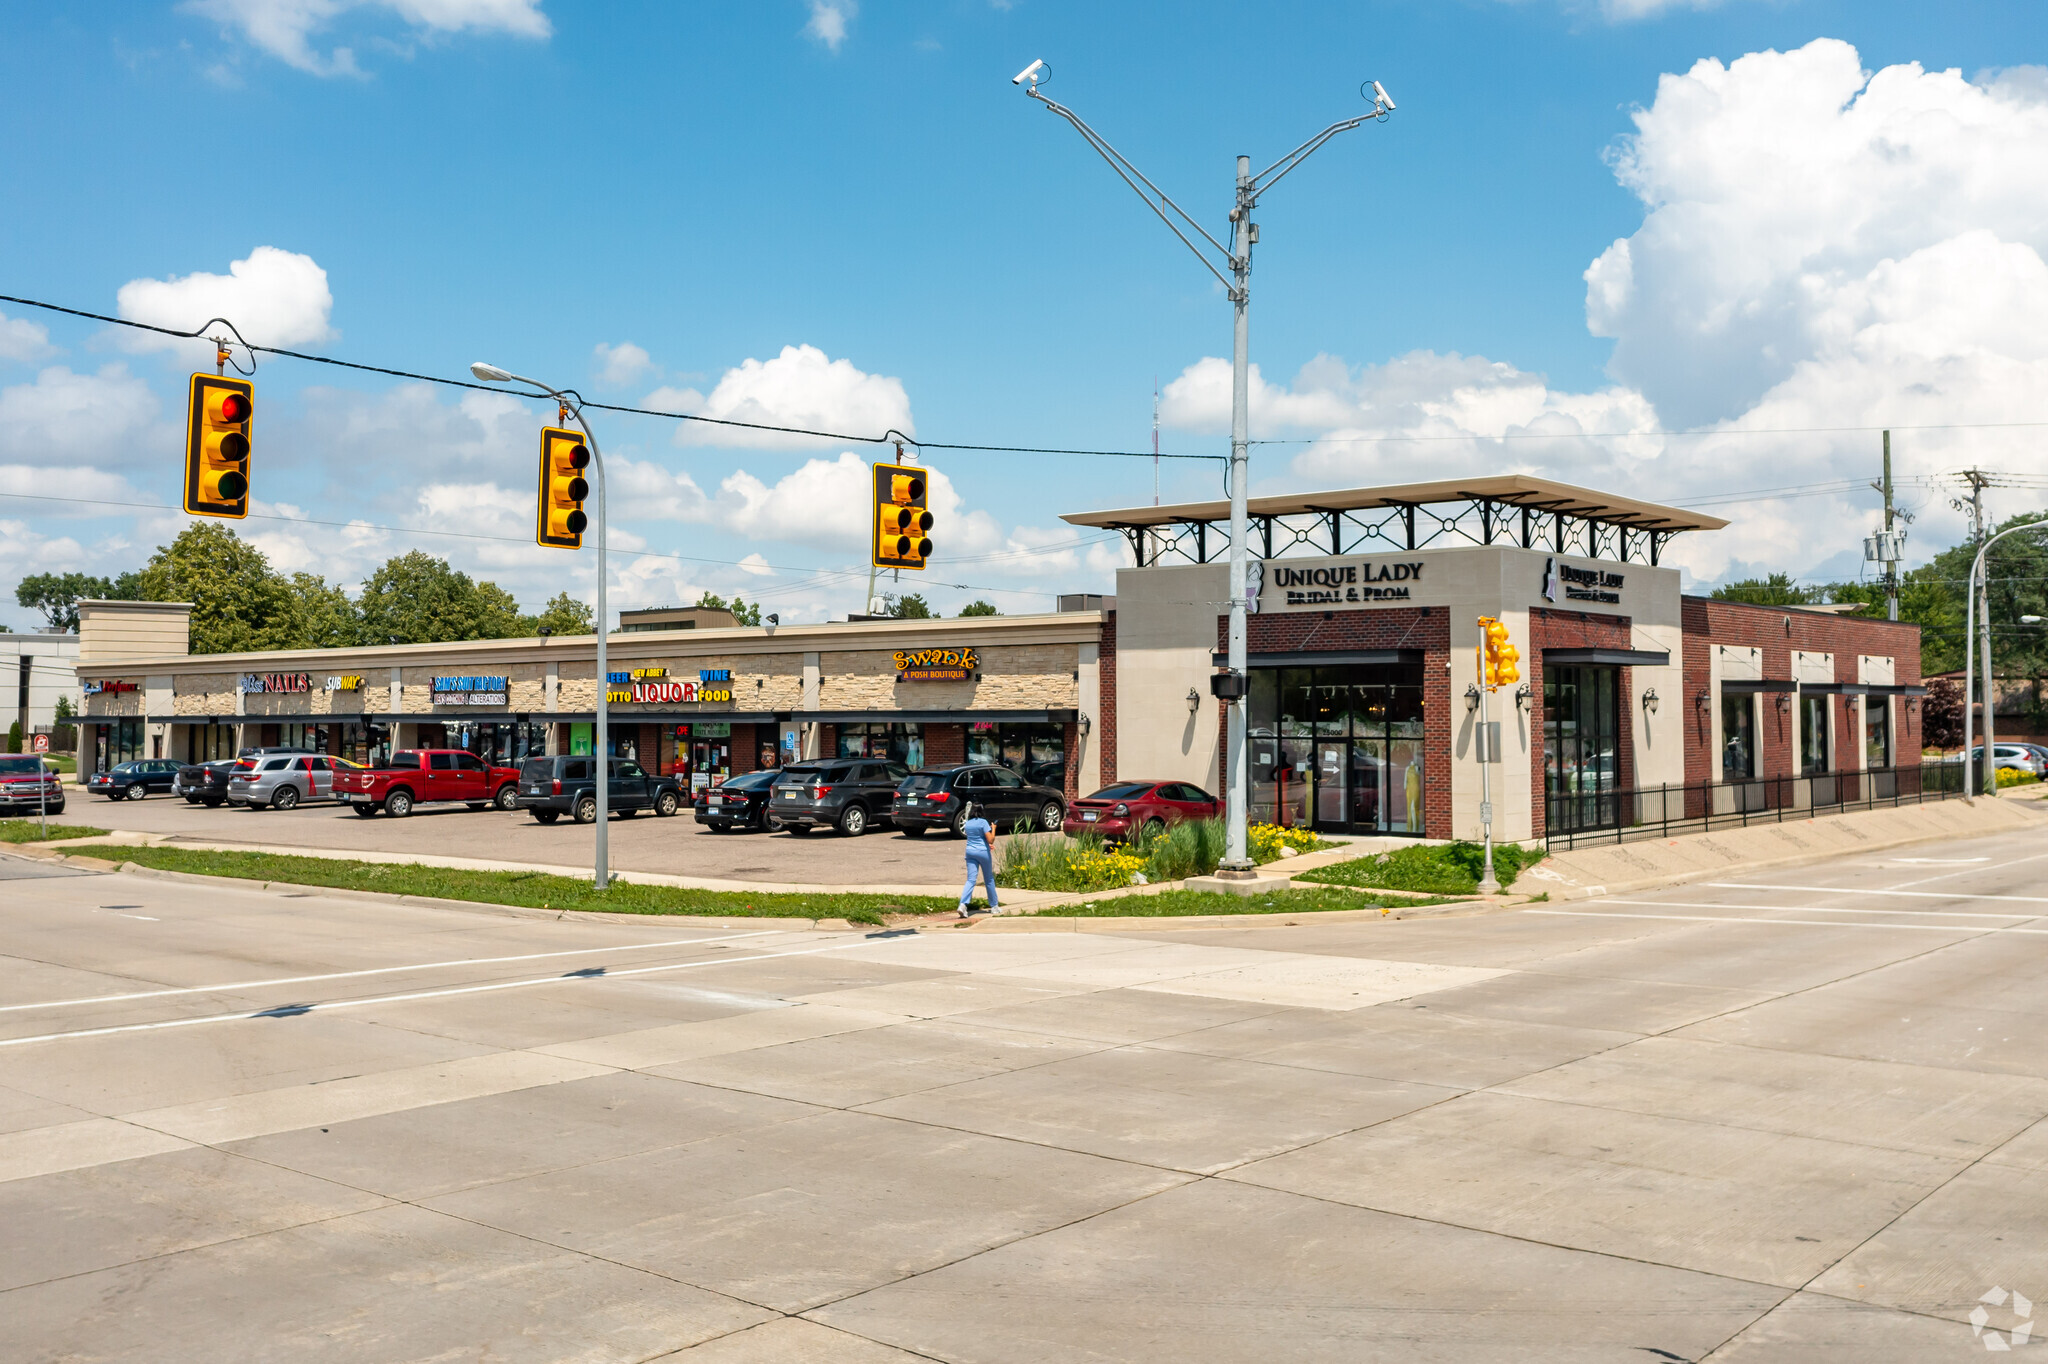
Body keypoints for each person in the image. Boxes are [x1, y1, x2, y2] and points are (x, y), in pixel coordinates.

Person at [957, 801, 1000, 918]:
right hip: (983, 853)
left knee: (971, 879)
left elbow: (976, 837)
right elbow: (990, 839)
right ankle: (994, 906)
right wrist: (993, 828)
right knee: (989, 879)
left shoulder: (968, 824)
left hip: (970, 852)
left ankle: (963, 904)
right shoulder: (983, 822)